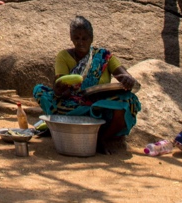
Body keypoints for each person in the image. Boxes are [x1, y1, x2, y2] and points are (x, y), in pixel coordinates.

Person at [32, 15, 142, 153]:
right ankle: (63, 126)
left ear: (91, 39)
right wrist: (60, 90)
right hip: (72, 104)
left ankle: (102, 138)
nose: (80, 42)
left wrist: (128, 80)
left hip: (99, 104)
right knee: (40, 90)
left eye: (85, 38)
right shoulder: (64, 56)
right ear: (71, 38)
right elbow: (60, 85)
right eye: (76, 38)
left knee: (128, 101)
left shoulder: (104, 56)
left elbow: (124, 75)